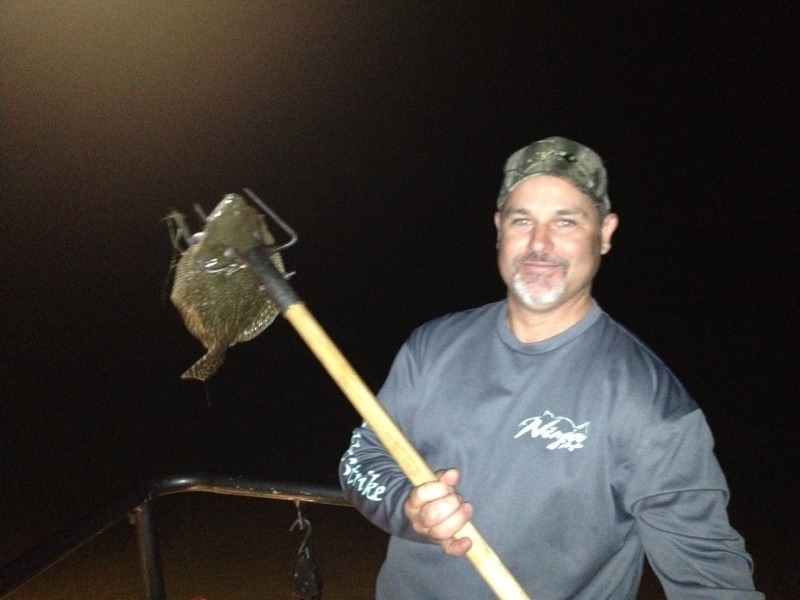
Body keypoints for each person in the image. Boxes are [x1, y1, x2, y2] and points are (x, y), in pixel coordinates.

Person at [339, 136, 762, 599]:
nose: (539, 244)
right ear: (500, 229)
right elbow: (362, 460)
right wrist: (408, 508)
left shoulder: (648, 403)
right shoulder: (431, 347)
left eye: (566, 221)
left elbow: (711, 581)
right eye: (523, 220)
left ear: (605, 233)